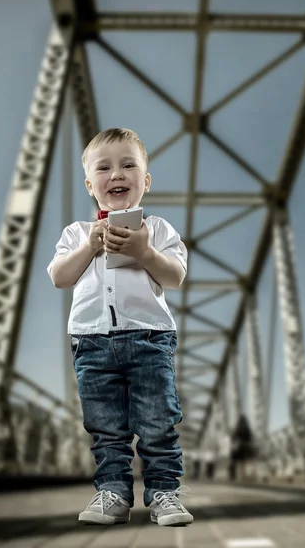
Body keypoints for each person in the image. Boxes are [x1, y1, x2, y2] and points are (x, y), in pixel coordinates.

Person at [47, 128, 193, 527]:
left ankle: (164, 492)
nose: (117, 174)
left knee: (157, 420)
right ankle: (112, 491)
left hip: (149, 337)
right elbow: (60, 276)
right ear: (90, 184)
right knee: (105, 425)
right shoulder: (77, 234)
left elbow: (175, 275)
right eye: (105, 167)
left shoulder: (158, 230)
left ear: (145, 181)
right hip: (91, 341)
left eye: (129, 165)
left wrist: (143, 251)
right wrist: (90, 247)